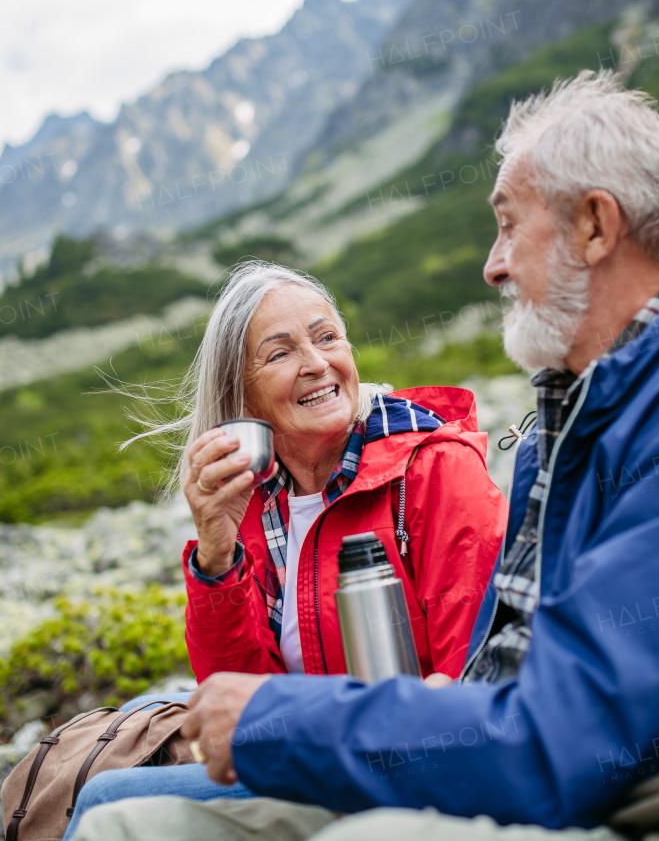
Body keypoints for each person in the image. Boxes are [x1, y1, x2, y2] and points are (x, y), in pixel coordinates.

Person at [70, 69, 659, 840]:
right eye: (281, 352)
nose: (491, 264)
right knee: (117, 818)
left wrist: (282, 721)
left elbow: (569, 739)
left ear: (595, 226)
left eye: (508, 224)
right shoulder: (571, 418)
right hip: (541, 768)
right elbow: (505, 688)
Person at [61, 262, 506, 838]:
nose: (317, 364)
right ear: (238, 393)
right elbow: (243, 697)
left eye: (327, 338)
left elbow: (478, 677)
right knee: (134, 718)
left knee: (103, 797)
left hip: (405, 766)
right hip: (311, 752)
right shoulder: (255, 499)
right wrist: (216, 558)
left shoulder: (435, 471)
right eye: (280, 354)